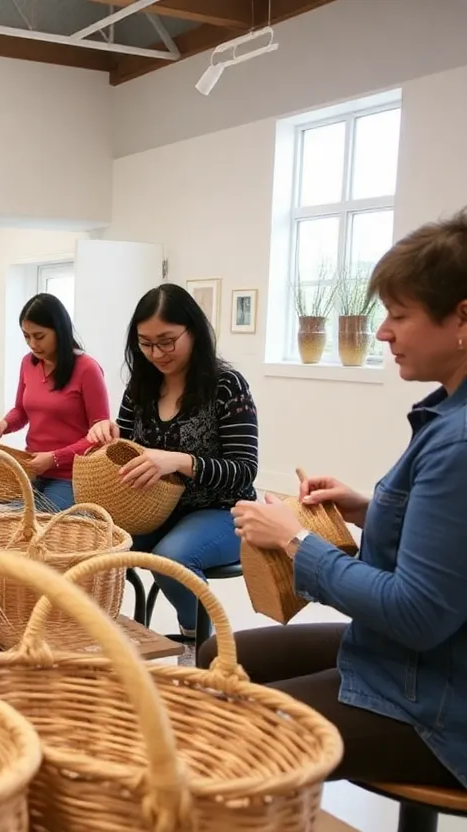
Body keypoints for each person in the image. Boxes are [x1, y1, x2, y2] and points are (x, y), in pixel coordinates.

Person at [221, 212, 467, 789]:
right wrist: (365, 508)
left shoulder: (459, 441)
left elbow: (416, 613)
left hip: (434, 700)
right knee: (220, 657)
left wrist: (293, 539)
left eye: (400, 316)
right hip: (411, 661)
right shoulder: (448, 416)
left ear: (462, 317)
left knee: (231, 728)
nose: (382, 332)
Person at [86, 283, 258, 640]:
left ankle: (197, 638)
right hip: (154, 508)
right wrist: (109, 437)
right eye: (145, 343)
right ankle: (105, 640)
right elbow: (130, 453)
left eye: (167, 341)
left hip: (224, 511)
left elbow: (244, 469)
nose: (156, 353)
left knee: (172, 559)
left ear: (192, 331)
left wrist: (179, 461)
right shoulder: (140, 387)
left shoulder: (226, 386)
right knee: (89, 539)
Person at [0, 294, 109, 511]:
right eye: (26, 336)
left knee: (43, 524)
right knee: (8, 518)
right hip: (33, 469)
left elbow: (100, 438)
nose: (32, 344)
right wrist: (5, 423)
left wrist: (54, 458)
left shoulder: (87, 369)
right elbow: (21, 411)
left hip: (70, 476)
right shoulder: (28, 363)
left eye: (39, 336)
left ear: (59, 330)